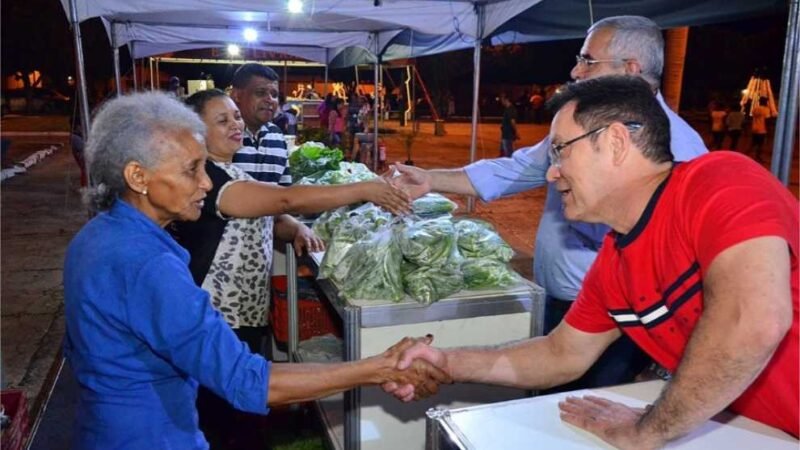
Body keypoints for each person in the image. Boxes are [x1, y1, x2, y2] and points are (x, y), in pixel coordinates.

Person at [387, 75, 799, 447]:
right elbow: (560, 354)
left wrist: (649, 429)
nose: (552, 173)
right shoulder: (615, 264)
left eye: (561, 151)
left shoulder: (718, 182)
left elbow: (753, 318)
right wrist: (447, 362)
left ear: (616, 142)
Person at [63, 91, 448, 449]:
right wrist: (379, 368)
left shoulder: (97, 236)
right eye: (191, 170)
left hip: (103, 425)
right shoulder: (148, 265)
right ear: (137, 177)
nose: (203, 183)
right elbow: (249, 381)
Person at [390, 15, 708, 391]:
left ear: (630, 70)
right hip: (570, 306)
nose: (575, 70)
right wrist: (431, 179)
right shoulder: (580, 126)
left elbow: (714, 303)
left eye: (588, 60)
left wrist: (664, 376)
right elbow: (520, 168)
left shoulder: (689, 163)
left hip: (622, 327)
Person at [172, 88, 411, 448]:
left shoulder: (230, 169)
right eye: (222, 119)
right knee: (226, 414)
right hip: (218, 318)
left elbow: (269, 213)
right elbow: (284, 197)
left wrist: (296, 227)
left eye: (236, 115)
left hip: (246, 313)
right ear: (196, 132)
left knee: (242, 411)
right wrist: (363, 189)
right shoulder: (207, 177)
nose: (236, 123)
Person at [749, 96, 770, 162]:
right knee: (760, 144)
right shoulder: (766, 109)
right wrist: (768, 129)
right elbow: (767, 120)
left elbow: (752, 117)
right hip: (762, 129)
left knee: (753, 143)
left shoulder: (755, 108)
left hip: (754, 128)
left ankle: (747, 154)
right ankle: (758, 156)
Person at [499, 92, 519, 157]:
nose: (501, 101)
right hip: (505, 134)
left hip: (508, 135)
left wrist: (516, 132)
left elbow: (512, 122)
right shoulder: (508, 109)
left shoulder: (511, 109)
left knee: (508, 154)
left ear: (506, 100)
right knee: (503, 152)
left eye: (502, 99)